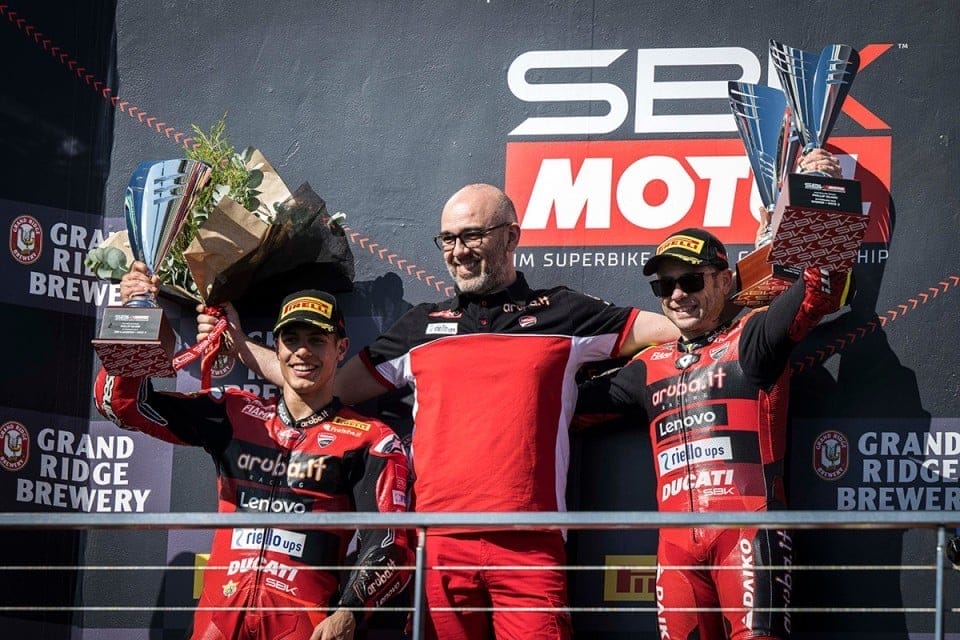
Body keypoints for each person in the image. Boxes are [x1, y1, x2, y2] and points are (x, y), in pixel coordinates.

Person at [139, 183, 681, 640]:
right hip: (435, 543)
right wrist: (242, 345)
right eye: (449, 239)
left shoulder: (564, 312)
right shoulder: (421, 325)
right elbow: (325, 384)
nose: (459, 251)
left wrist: (594, 395)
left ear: (511, 236)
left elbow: (678, 330)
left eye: (473, 235)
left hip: (531, 544)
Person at [576, 224, 853, 640]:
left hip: (747, 534)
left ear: (724, 281)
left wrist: (822, 208)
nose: (677, 295)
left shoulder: (752, 337)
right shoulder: (648, 365)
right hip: (675, 551)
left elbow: (820, 289)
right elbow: (563, 408)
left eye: (691, 281)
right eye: (664, 286)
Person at [95, 289, 413, 640]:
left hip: (303, 627)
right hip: (218, 623)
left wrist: (349, 611)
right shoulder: (236, 412)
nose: (302, 351)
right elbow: (123, 406)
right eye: (291, 339)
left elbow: (392, 543)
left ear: (340, 349)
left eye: (317, 340)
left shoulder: (369, 439)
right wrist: (136, 317)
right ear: (277, 347)